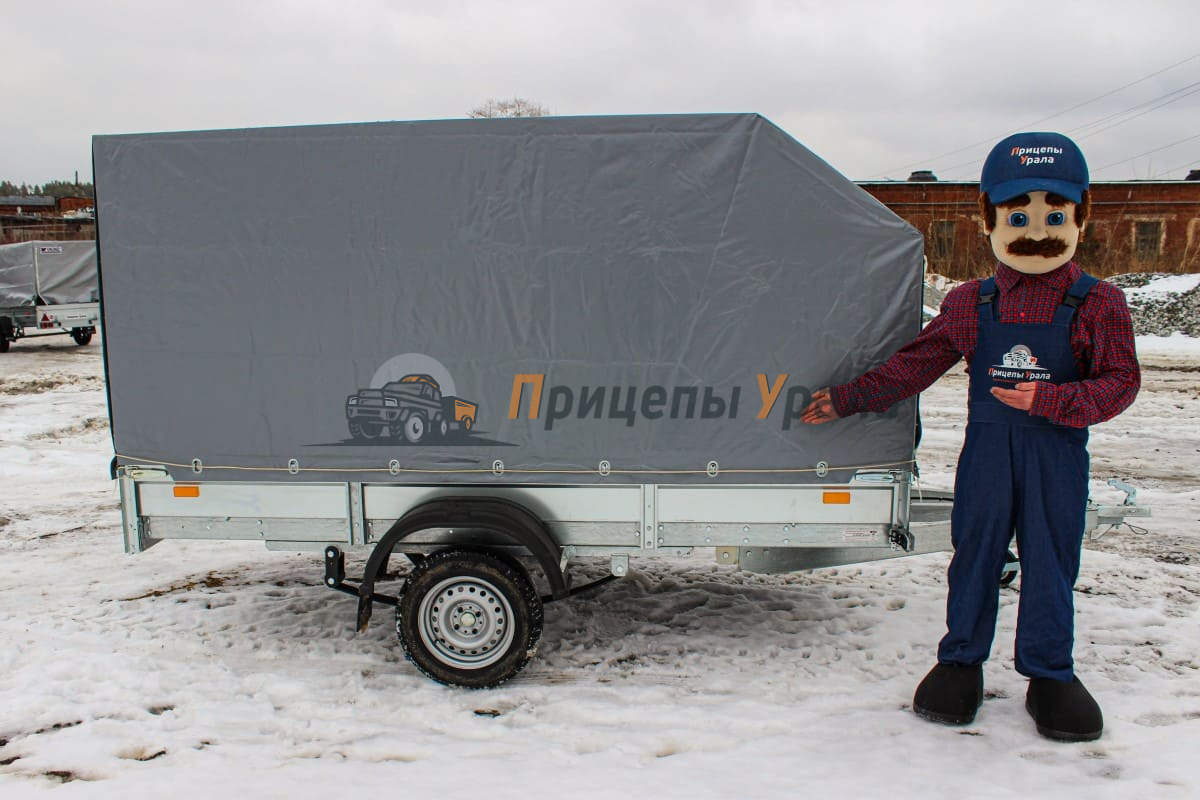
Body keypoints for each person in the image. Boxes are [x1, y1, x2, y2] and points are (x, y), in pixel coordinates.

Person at [801, 132, 1139, 742]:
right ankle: (960, 663)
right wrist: (848, 398)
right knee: (975, 558)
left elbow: (1121, 382)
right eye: (1018, 216)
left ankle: (1050, 674)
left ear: (1080, 217)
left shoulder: (1099, 303)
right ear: (989, 219)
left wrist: (1052, 400)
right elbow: (917, 363)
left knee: (1051, 561)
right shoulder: (970, 303)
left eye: (1055, 215)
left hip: (1056, 454)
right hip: (987, 456)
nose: (1037, 232)